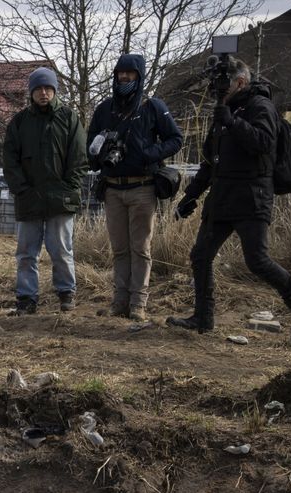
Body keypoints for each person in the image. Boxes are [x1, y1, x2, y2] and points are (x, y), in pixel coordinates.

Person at [169, 59, 291, 345]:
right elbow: (211, 161)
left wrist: (232, 122)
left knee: (257, 260)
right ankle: (203, 317)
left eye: (222, 85)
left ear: (240, 83)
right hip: (222, 197)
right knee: (201, 255)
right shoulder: (225, 111)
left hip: (252, 196)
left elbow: (263, 143)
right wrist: (190, 196)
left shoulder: (260, 107)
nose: (217, 90)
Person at [87, 54, 183, 321]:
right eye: (121, 73)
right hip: (113, 188)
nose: (125, 78)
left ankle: (138, 304)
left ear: (139, 76)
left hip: (143, 187)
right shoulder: (105, 109)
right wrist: (97, 154)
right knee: (119, 248)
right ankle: (119, 302)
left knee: (140, 248)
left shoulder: (152, 106)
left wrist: (149, 153)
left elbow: (176, 138)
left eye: (130, 74)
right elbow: (90, 146)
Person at [2, 67, 88, 315]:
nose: (43, 93)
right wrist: (21, 189)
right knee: (27, 254)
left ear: (55, 90)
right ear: (31, 92)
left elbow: (79, 158)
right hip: (29, 200)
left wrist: (68, 188)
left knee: (61, 250)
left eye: (48, 88)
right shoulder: (19, 122)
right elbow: (10, 160)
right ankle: (27, 298)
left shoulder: (69, 119)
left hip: (61, 199)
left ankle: (66, 293)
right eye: (38, 89)